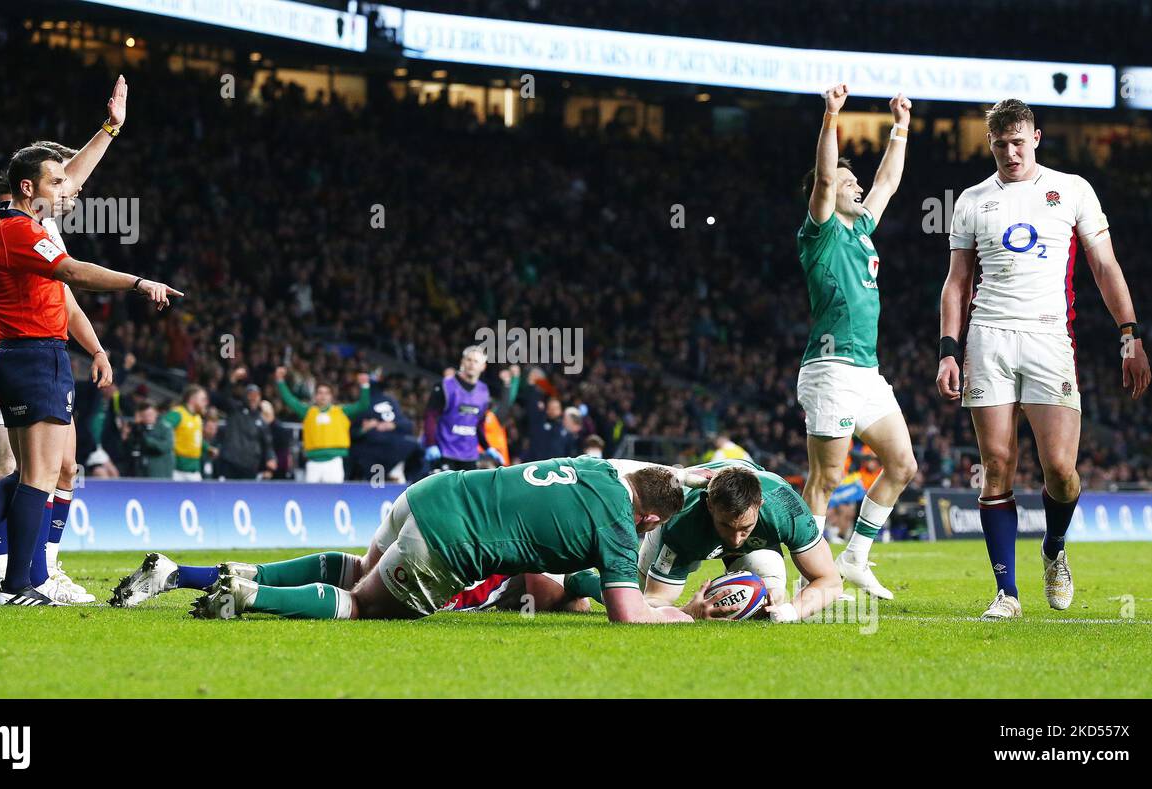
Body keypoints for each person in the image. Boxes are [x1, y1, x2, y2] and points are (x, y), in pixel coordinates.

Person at [0, 141, 180, 607]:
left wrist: (111, 129)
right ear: (22, 193)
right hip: (5, 354)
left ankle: (30, 571)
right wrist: (138, 282)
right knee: (19, 469)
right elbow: (66, 276)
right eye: (54, 185)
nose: (66, 191)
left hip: (29, 352)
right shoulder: (5, 238)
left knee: (53, 468)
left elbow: (71, 188)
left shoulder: (34, 227)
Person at [936, 98, 1152, 620]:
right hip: (988, 337)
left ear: (1036, 137)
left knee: (1060, 469)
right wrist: (947, 350)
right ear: (989, 144)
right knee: (996, 466)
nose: (1010, 152)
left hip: (1048, 337)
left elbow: (1104, 266)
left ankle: (1054, 547)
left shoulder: (1072, 190)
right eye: (999, 144)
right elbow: (957, 283)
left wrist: (1130, 335)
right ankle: (1006, 594)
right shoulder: (970, 200)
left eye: (1018, 141)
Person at [171, 458, 723, 623]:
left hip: (432, 491)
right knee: (362, 605)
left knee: (362, 567)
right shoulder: (622, 529)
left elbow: (644, 473)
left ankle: (243, 572)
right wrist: (686, 615)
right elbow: (627, 614)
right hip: (451, 539)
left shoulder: (599, 470)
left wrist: (681, 474)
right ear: (650, 520)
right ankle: (247, 595)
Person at [795, 85, 918, 601]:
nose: (856, 186)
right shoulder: (821, 230)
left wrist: (901, 126)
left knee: (903, 465)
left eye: (855, 180)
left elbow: (888, 179)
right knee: (825, 477)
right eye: (849, 182)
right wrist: (831, 116)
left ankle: (855, 559)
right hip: (829, 369)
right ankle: (810, 577)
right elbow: (825, 176)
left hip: (866, 371)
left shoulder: (863, 226)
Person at [633, 458, 844, 621]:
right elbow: (654, 600)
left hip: (755, 535)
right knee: (633, 594)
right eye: (726, 525)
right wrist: (687, 612)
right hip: (687, 516)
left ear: (760, 505)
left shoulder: (786, 509)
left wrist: (789, 612)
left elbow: (831, 581)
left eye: (745, 528)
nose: (735, 540)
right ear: (709, 506)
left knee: (767, 598)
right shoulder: (682, 521)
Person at [275, 366, 372, 483]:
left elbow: (363, 405)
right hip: (313, 462)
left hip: (334, 461)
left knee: (333, 497)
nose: (323, 396)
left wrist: (365, 385)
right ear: (315, 396)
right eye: (320, 393)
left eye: (326, 393)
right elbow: (290, 400)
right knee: (312, 499)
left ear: (331, 396)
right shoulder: (307, 412)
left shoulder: (341, 411)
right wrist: (280, 381)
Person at [423, 346, 500, 472]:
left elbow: (479, 423)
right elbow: (430, 416)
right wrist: (430, 444)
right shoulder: (445, 386)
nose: (472, 364)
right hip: (445, 451)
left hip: (469, 454)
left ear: (483, 366)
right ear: (462, 361)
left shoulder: (484, 391)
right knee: (445, 490)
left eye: (476, 362)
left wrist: (487, 447)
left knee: (467, 491)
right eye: (469, 360)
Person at [212, 368, 275, 480]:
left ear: (260, 398)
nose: (253, 398)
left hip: (250, 465)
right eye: (250, 394)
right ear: (245, 396)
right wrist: (232, 380)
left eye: (256, 395)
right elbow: (223, 398)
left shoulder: (261, 420)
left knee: (247, 495)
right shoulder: (235, 410)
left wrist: (271, 458)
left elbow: (267, 443)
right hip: (230, 462)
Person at [161, 385, 209, 481]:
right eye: (203, 399)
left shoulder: (197, 418)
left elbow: (196, 438)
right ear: (192, 399)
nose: (206, 403)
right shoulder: (177, 414)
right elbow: (161, 428)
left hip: (195, 470)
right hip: (178, 471)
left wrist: (207, 448)